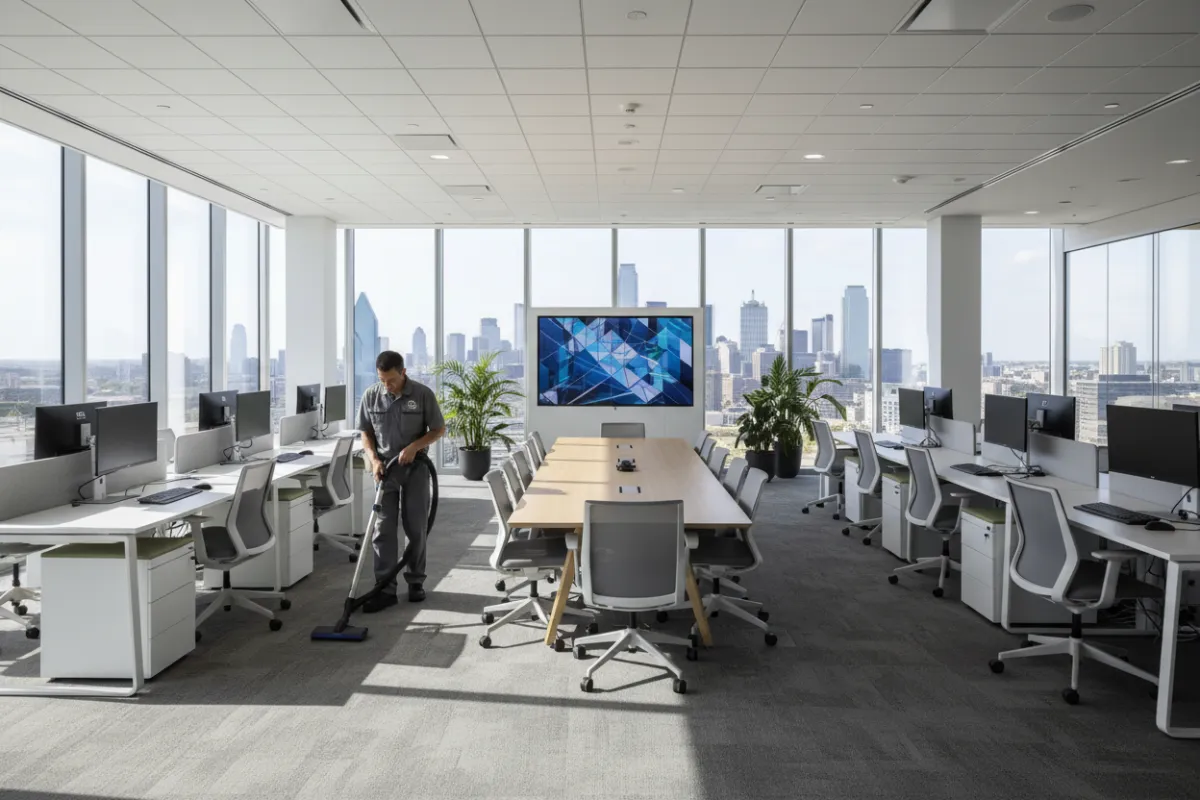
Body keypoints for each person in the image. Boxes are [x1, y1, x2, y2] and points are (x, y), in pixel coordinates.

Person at [357, 351, 445, 611]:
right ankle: (384, 589)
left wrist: (414, 447)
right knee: (382, 531)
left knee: (415, 527)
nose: (387, 386)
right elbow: (366, 432)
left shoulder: (422, 394)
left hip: (415, 470)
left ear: (403, 372)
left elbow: (438, 429)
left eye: (391, 380)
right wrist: (373, 460)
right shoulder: (371, 396)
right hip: (385, 471)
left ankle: (415, 582)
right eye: (383, 380)